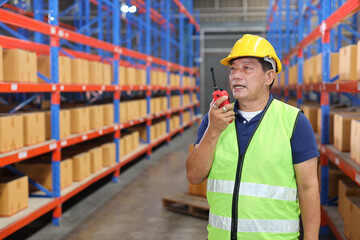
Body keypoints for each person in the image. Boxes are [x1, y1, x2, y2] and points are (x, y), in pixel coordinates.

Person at [186, 34, 320, 240]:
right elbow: (194, 176)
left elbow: (308, 188)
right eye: (233, 69)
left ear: (269, 77)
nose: (236, 76)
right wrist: (213, 131)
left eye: (247, 68)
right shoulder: (214, 120)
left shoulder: (294, 122)